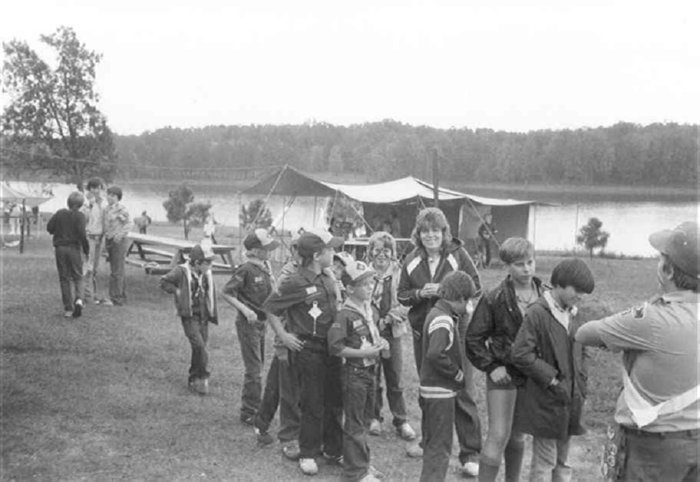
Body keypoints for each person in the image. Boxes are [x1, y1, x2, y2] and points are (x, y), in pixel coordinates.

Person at [575, 221, 699, 482]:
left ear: (667, 270)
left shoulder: (651, 318)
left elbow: (585, 333)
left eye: (661, 258)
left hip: (652, 447)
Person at [397, 207, 482, 475]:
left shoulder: (458, 254)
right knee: (429, 387)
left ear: (444, 232)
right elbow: (401, 295)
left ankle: (470, 453)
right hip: (423, 331)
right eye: (425, 231)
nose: (430, 235)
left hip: (457, 331)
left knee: (462, 388)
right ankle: (429, 441)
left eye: (435, 230)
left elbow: (476, 287)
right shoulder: (411, 259)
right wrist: (420, 293)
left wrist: (447, 293)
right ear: (418, 234)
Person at [262, 229, 344, 476]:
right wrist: (284, 336)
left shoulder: (328, 277)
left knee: (334, 400)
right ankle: (308, 452)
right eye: (330, 249)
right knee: (312, 402)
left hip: (331, 348)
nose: (334, 253)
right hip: (309, 350)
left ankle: (333, 449)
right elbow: (270, 308)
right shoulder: (295, 280)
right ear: (317, 255)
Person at [465, 237, 545, 482]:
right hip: (505, 373)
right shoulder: (494, 297)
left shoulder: (547, 294)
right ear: (507, 266)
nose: (527, 269)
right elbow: (473, 338)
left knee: (518, 434)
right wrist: (492, 366)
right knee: (499, 434)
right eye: (519, 264)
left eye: (530, 262)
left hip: (533, 374)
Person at [511, 258, 595, 482]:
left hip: (571, 399)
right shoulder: (537, 313)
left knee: (563, 463)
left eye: (584, 292)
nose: (580, 296)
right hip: (546, 402)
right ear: (559, 284)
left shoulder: (575, 314)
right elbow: (520, 353)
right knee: (544, 463)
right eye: (577, 290)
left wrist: (581, 381)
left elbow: (583, 348)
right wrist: (551, 379)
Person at [328, 260, 389, 482]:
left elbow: (370, 337)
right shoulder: (345, 314)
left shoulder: (367, 309)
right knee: (354, 423)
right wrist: (364, 353)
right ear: (350, 288)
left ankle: (362, 463)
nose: (370, 287)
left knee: (364, 420)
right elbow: (335, 348)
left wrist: (381, 343)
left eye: (371, 282)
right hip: (354, 373)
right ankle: (355, 472)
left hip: (370, 372)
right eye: (364, 284)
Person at [419, 271, 477, 482]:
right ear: (460, 298)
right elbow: (435, 354)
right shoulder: (443, 320)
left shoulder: (436, 312)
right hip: (440, 393)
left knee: (433, 443)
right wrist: (457, 373)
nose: (467, 307)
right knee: (440, 447)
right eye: (467, 301)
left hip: (432, 391)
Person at [222, 228, 280, 426]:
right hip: (249, 325)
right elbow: (227, 292)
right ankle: (249, 411)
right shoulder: (245, 270)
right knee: (254, 370)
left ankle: (255, 407)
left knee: (259, 366)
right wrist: (245, 310)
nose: (270, 251)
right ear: (255, 251)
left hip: (262, 324)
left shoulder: (264, 268)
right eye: (266, 248)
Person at [253, 235, 302, 460]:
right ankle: (289, 438)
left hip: (293, 341)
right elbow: (273, 307)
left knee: (275, 384)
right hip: (288, 340)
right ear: (294, 251)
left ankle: (261, 423)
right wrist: (283, 336)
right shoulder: (289, 276)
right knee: (289, 391)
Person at [365, 231, 416, 441]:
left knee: (394, 377)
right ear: (370, 252)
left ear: (393, 253)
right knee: (372, 376)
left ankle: (401, 420)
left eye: (386, 250)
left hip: (392, 332)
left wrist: (387, 319)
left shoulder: (400, 273)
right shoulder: (364, 273)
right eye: (377, 250)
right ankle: (374, 417)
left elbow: (406, 303)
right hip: (369, 333)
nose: (381, 254)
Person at [159, 244, 218, 394]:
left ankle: (193, 378)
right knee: (199, 346)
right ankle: (203, 377)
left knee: (199, 348)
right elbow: (164, 281)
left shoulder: (206, 274)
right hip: (190, 316)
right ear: (197, 263)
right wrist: (177, 291)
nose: (210, 266)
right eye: (207, 262)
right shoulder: (181, 271)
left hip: (203, 316)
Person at [46, 191, 90, 318]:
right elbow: (82, 234)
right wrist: (86, 250)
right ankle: (79, 300)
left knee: (64, 278)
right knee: (78, 276)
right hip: (74, 249)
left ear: (68, 202)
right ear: (81, 205)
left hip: (60, 248)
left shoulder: (60, 213)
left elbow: (49, 227)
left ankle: (68, 309)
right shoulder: (80, 216)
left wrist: (57, 231)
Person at [81, 177, 107, 304]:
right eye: (93, 188)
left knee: (95, 268)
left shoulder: (103, 203)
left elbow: (105, 220)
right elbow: (83, 218)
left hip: (100, 238)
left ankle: (93, 294)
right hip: (89, 237)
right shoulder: (85, 202)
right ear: (89, 189)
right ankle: (86, 295)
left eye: (98, 188)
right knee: (88, 267)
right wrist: (90, 205)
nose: (96, 190)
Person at [103, 186, 130, 306]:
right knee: (116, 269)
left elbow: (128, 224)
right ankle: (121, 296)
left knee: (116, 271)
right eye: (108, 194)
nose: (109, 197)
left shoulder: (121, 209)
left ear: (118, 197)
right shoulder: (106, 209)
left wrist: (120, 235)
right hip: (109, 240)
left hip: (118, 241)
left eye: (113, 195)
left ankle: (116, 298)